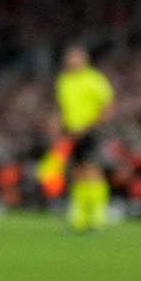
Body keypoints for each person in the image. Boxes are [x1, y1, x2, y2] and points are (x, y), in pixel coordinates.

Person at [56, 44, 114, 233]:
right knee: (77, 173)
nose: (71, 61)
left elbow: (108, 105)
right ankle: (79, 219)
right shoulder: (64, 80)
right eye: (69, 57)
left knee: (93, 172)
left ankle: (97, 219)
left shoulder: (94, 79)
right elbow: (64, 108)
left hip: (90, 132)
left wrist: (91, 127)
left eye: (75, 57)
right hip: (71, 132)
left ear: (85, 59)